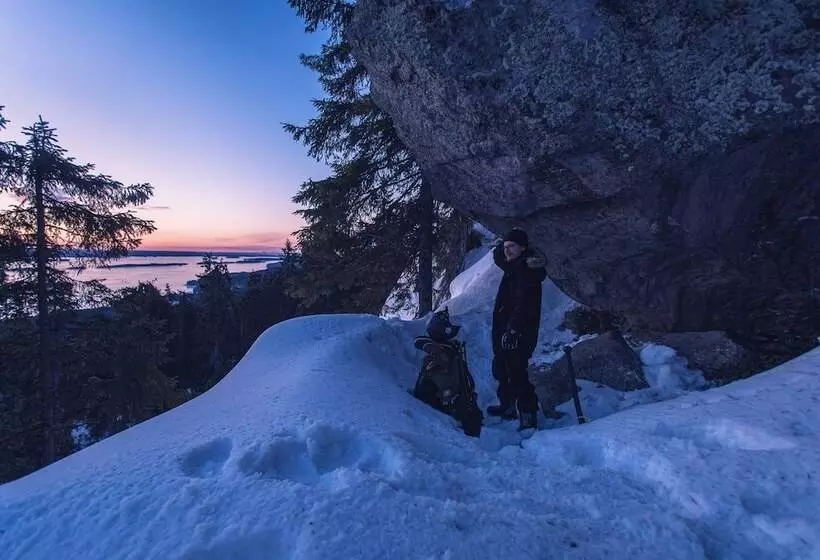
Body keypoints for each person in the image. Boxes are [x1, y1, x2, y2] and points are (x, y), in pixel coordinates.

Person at [486, 227, 547, 431]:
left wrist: (513, 331)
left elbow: (524, 305)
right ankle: (507, 407)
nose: (507, 251)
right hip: (504, 328)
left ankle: (528, 415)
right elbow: (500, 258)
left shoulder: (527, 272)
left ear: (523, 248)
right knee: (501, 368)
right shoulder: (514, 266)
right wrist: (501, 245)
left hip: (519, 332)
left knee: (517, 373)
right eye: (505, 247)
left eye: (512, 246)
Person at [412, 308, 482, 437]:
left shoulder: (450, 350)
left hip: (445, 406)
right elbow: (419, 341)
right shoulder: (446, 349)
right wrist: (432, 348)